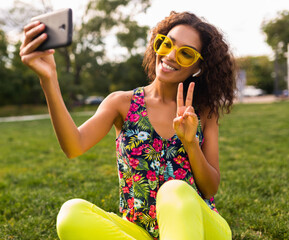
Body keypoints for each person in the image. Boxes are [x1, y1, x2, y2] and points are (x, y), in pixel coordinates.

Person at [20, 10, 235, 240]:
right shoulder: (122, 103)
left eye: (185, 54)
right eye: (166, 44)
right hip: (140, 231)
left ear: (198, 67)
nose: (171, 55)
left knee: (174, 189)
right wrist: (49, 78)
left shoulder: (203, 112)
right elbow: (74, 146)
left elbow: (210, 188)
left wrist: (190, 142)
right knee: (71, 213)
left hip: (202, 228)